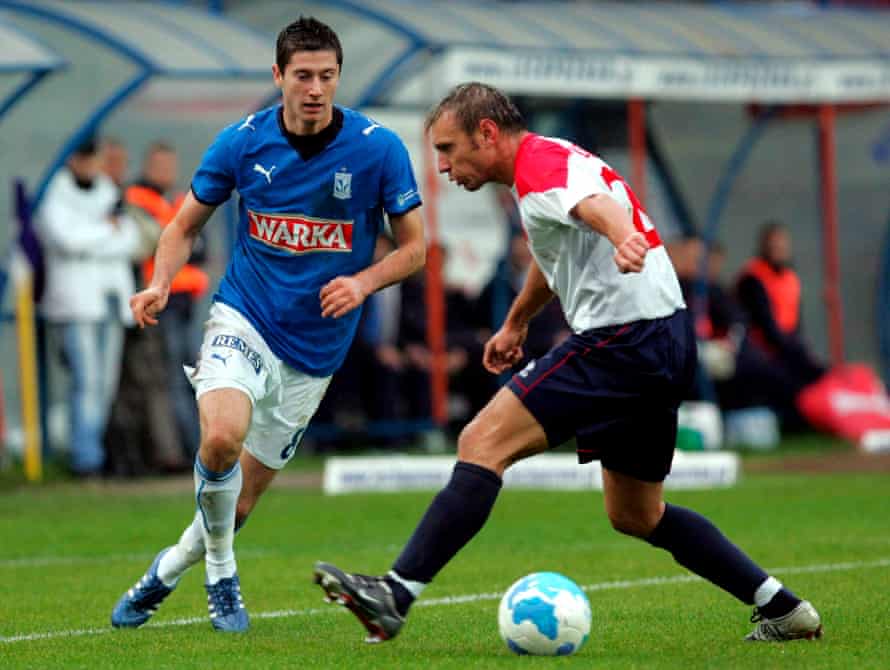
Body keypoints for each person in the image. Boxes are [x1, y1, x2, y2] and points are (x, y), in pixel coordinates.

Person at [314, 83, 822, 644]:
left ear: (487, 133)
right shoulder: (546, 163)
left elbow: (598, 210)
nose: (443, 166)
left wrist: (625, 237)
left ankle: (396, 592)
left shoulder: (541, 167)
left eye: (448, 148)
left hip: (623, 341)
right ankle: (783, 607)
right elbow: (555, 254)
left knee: (482, 442)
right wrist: (516, 322)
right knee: (636, 514)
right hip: (663, 338)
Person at [110, 17, 425, 633]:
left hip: (316, 350)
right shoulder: (242, 142)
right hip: (244, 316)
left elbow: (414, 249)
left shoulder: (377, 147)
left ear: (339, 78)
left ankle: (169, 568)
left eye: (327, 76)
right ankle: (222, 574)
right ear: (278, 75)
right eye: (303, 75)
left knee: (242, 501)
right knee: (221, 438)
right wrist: (159, 281)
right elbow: (181, 226)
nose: (315, 89)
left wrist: (363, 282)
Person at [36, 137, 138, 477]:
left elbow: (131, 239)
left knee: (105, 384)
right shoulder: (55, 192)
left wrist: (95, 237)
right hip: (74, 303)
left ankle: (97, 450)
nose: (90, 165)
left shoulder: (109, 191)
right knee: (87, 381)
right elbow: (65, 239)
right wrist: (106, 233)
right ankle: (86, 458)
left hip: (110, 300)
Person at [132, 142, 209, 459]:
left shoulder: (178, 199)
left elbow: (200, 246)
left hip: (186, 301)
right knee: (175, 377)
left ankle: (199, 445)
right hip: (160, 301)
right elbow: (153, 242)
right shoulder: (137, 199)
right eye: (160, 165)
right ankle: (188, 450)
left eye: (170, 165)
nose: (167, 172)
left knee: (195, 375)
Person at [736, 222, 826, 395]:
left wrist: (799, 350)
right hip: (763, 352)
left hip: (788, 346)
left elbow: (796, 323)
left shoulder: (791, 278)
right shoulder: (753, 278)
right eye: (774, 244)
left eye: (782, 244)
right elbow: (766, 325)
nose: (778, 249)